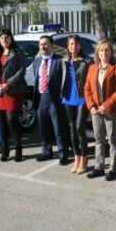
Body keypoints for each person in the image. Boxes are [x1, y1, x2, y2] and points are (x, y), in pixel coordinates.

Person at [83, 40, 116, 181]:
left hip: (111, 110)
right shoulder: (92, 68)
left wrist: (106, 105)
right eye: (101, 51)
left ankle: (112, 169)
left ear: (111, 53)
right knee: (99, 140)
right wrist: (92, 106)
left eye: (107, 50)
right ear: (97, 53)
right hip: (96, 111)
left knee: (112, 140)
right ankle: (99, 167)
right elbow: (87, 89)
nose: (104, 53)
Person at [0, 28, 27, 162]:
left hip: (13, 92)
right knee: (1, 122)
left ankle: (18, 150)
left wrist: (7, 84)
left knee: (12, 121)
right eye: (2, 38)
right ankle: (5, 150)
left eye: (7, 37)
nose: (4, 40)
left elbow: (21, 71)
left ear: (11, 39)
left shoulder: (18, 53)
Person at [32, 35, 70, 165]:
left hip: (55, 99)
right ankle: (46, 152)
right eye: (41, 44)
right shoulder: (36, 62)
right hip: (41, 98)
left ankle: (63, 153)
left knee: (58, 129)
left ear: (52, 45)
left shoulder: (60, 60)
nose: (43, 46)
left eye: (46, 44)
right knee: (43, 128)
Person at [61, 35, 93, 174]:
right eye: (71, 44)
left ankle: (85, 158)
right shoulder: (64, 60)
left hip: (82, 98)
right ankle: (77, 157)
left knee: (80, 128)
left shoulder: (87, 61)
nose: (73, 46)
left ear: (80, 46)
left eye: (76, 44)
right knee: (72, 129)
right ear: (68, 46)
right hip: (68, 98)